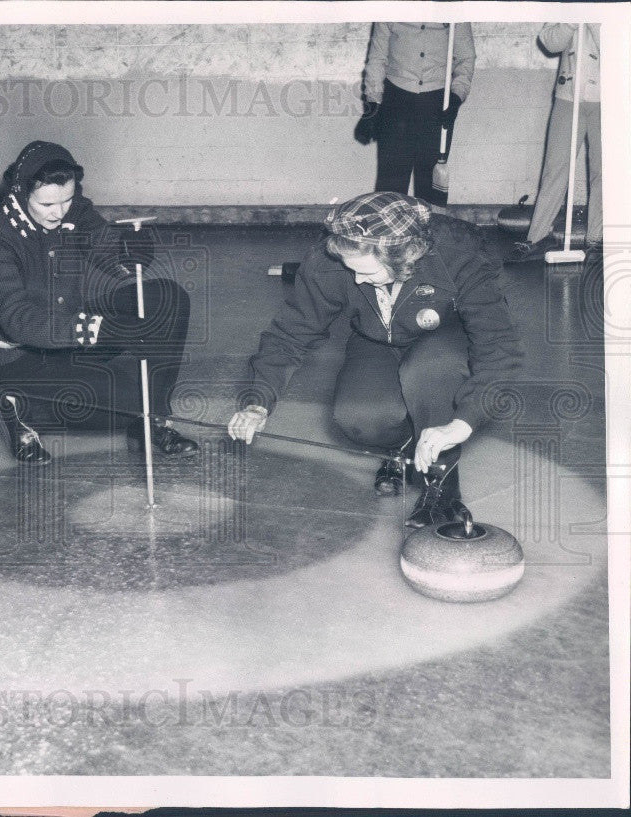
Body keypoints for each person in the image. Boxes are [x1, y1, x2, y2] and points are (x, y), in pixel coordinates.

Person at [228, 192, 522, 528]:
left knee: (430, 369)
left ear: (404, 257)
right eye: (351, 271)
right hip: (376, 339)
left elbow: (499, 348)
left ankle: (441, 487)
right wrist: (258, 403)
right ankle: (402, 450)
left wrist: (462, 423)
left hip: (445, 340)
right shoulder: (333, 260)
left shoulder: (460, 255)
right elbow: (290, 334)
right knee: (359, 418)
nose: (356, 280)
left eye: (367, 272)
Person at [0, 140, 198, 464]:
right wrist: (100, 330)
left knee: (168, 298)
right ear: (21, 193)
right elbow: (18, 319)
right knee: (131, 404)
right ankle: (23, 407)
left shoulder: (74, 210)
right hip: (24, 357)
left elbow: (108, 252)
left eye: (67, 199)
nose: (60, 212)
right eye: (47, 204)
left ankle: (153, 421)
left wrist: (131, 253)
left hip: (70, 336)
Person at [505, 24, 602, 264]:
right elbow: (549, 42)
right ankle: (535, 237)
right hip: (568, 96)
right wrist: (570, 20)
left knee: (603, 172)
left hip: (608, 97)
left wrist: (594, 21)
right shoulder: (568, 7)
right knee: (555, 169)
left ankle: (596, 239)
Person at [355, 22, 476, 205]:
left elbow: (466, 58)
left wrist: (456, 96)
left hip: (437, 102)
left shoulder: (454, 7)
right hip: (396, 101)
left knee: (430, 186)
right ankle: (391, 233)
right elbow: (377, 58)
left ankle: (428, 232)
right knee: (390, 185)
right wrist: (373, 106)